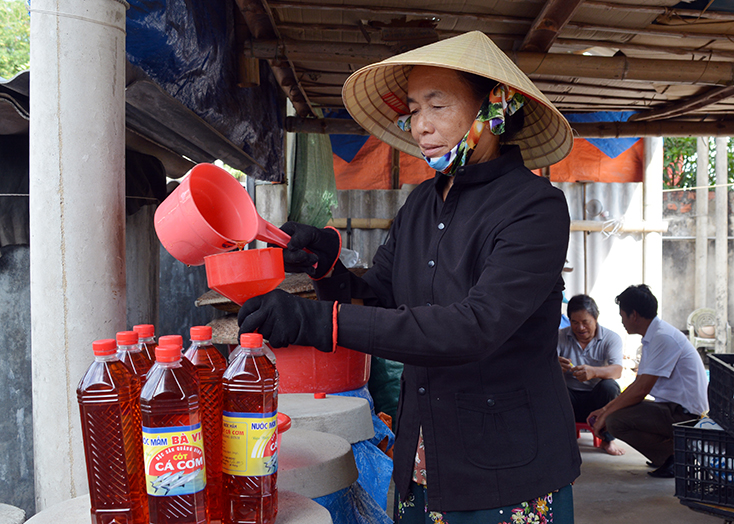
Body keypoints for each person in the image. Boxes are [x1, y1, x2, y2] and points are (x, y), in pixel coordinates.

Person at [238, 31, 581, 522]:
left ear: (495, 108)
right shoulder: (422, 201)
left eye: (437, 106)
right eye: (414, 110)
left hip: (507, 471)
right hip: (421, 460)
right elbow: (379, 300)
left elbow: (474, 327)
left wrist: (318, 322)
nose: (421, 126)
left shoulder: (535, 207)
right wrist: (327, 264)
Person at [587, 284, 708, 478]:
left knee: (615, 421)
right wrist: (604, 409)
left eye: (622, 316)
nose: (622, 321)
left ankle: (677, 456)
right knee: (614, 414)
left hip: (686, 416)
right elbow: (637, 384)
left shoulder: (663, 337)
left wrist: (606, 414)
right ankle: (671, 454)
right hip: (671, 409)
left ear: (634, 315)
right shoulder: (653, 337)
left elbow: (641, 389)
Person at [558, 294, 625, 456]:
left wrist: (594, 372)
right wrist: (555, 367)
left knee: (610, 386)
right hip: (569, 400)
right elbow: (543, 369)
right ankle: (559, 439)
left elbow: (617, 370)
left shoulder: (611, 338)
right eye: (575, 322)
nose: (580, 328)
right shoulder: (559, 336)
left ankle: (607, 440)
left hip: (597, 402)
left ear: (595, 319)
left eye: (585, 322)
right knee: (551, 386)